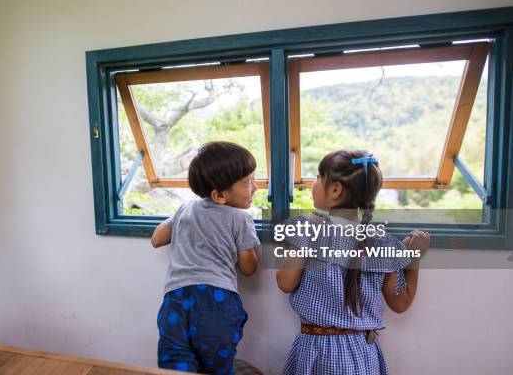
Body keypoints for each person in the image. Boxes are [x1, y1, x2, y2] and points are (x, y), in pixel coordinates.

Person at [276, 150, 430, 375]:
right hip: (363, 355)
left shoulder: (309, 230)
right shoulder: (383, 244)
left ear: (336, 189)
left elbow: (285, 283)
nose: (313, 183)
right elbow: (400, 302)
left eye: (319, 177)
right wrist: (414, 257)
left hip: (317, 352)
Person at [151, 141, 261, 373]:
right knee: (216, 367)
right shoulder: (240, 219)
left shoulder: (185, 209)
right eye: (248, 182)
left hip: (176, 300)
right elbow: (248, 268)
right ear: (219, 195)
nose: (256, 187)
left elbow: (157, 239)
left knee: (175, 365)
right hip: (216, 302)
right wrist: (250, 247)